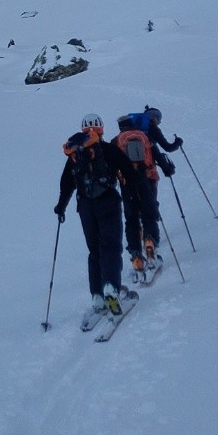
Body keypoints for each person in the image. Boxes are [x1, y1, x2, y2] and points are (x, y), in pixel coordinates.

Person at [54, 114, 141, 314]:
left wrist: (61, 207)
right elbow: (129, 171)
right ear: (101, 129)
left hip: (85, 207)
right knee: (111, 247)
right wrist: (134, 195)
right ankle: (111, 287)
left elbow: (66, 184)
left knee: (95, 251)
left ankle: (97, 296)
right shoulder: (108, 150)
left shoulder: (74, 153)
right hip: (109, 203)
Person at [116, 108, 183, 272]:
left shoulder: (116, 141)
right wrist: (168, 169)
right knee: (149, 212)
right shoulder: (145, 137)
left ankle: (136, 256)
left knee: (131, 218)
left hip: (127, 183)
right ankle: (150, 241)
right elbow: (160, 154)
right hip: (149, 178)